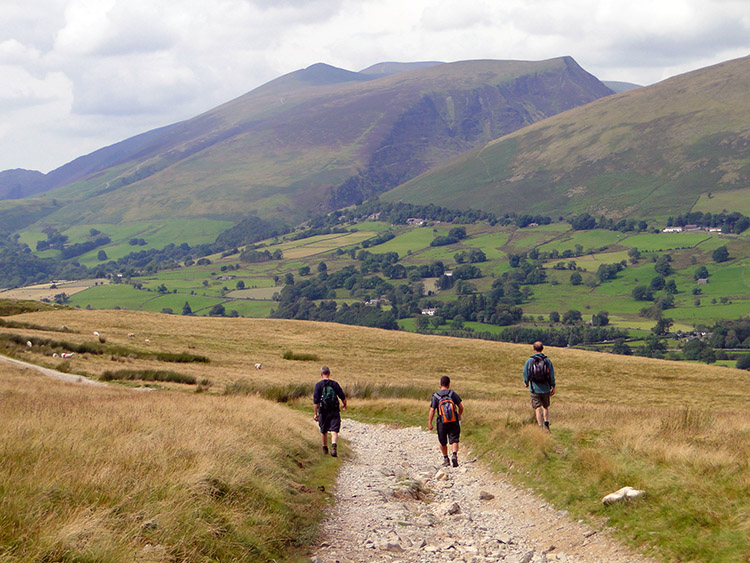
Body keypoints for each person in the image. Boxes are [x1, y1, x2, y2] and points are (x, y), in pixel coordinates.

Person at [428, 375, 463, 467]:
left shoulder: (436, 396)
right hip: (453, 420)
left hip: (441, 422)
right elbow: (460, 407)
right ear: (449, 384)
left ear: (440, 384)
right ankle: (454, 455)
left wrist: (430, 423)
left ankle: (446, 459)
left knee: (442, 441)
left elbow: (432, 410)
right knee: (454, 439)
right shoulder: (452, 394)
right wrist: (459, 415)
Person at [313, 366, 347, 457]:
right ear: (329, 373)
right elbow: (342, 396)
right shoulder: (334, 384)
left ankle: (325, 449)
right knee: (334, 429)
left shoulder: (318, 385)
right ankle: (334, 446)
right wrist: (344, 405)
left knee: (323, 430)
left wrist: (315, 414)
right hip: (334, 410)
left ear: (321, 374)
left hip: (323, 411)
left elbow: (315, 401)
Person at [523, 341, 556, 431]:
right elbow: (551, 375)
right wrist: (553, 386)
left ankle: (540, 427)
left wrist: (526, 383)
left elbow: (526, 373)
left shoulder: (530, 361)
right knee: (545, 406)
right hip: (545, 388)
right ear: (542, 349)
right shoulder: (547, 360)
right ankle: (546, 422)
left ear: (534, 349)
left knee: (537, 408)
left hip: (534, 388)